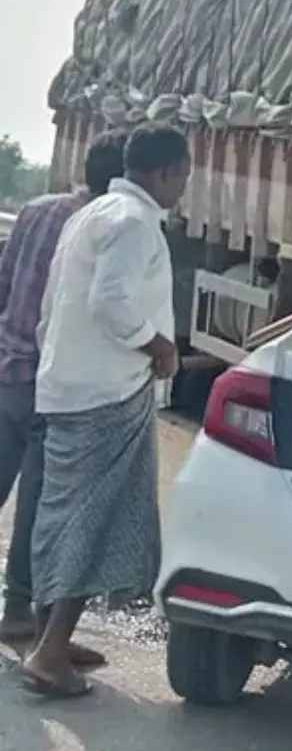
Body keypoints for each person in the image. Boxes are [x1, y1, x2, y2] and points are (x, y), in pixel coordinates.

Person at [20, 123, 189, 697]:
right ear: (166, 172)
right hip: (105, 394)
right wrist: (160, 346)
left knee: (60, 517)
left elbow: (53, 305)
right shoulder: (133, 222)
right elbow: (110, 300)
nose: (183, 187)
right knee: (90, 521)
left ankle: (52, 637)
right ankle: (47, 653)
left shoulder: (90, 215)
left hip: (67, 385)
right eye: (183, 176)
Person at [0, 131, 127, 658]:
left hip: (9, 368)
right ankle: (17, 612)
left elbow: (4, 280)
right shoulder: (105, 230)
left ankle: (23, 615)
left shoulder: (36, 209)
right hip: (54, 384)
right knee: (39, 505)